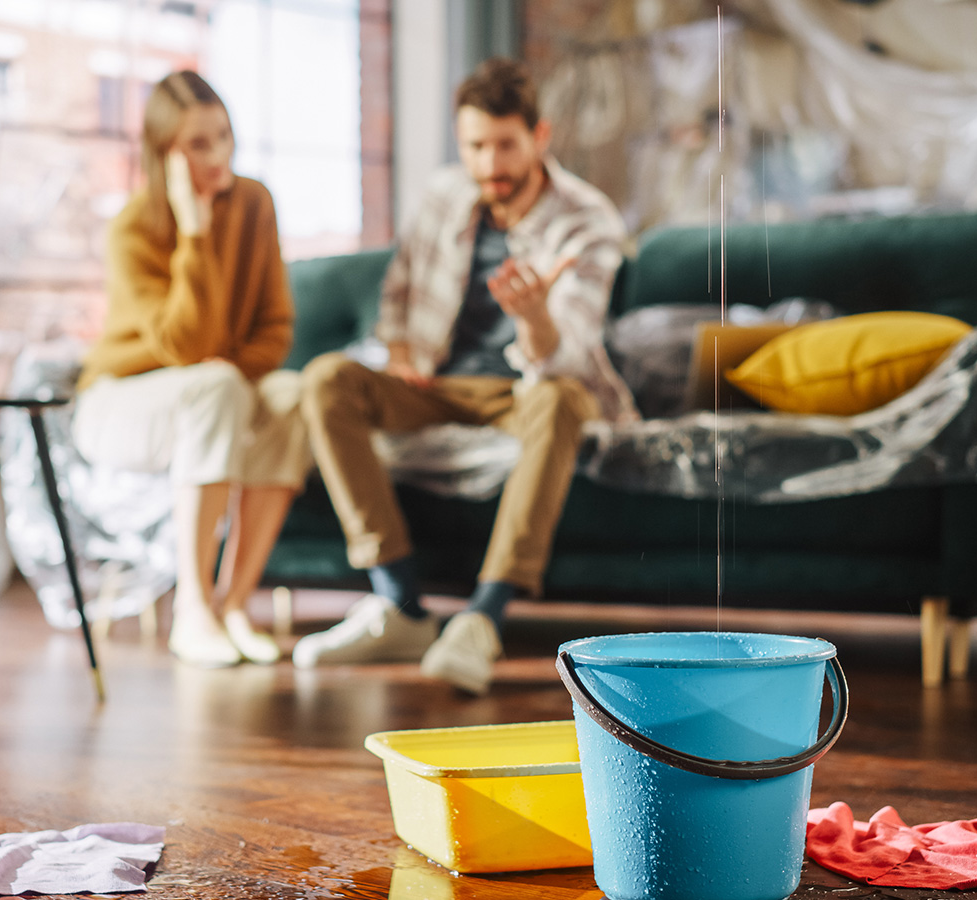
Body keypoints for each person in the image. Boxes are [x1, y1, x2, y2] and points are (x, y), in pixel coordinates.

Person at [293, 57, 636, 694]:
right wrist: (399, 353)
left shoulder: (587, 220)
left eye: (506, 145)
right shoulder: (446, 194)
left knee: (563, 402)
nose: (490, 165)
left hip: (527, 389)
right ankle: (400, 604)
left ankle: (483, 618)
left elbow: (568, 351)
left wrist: (533, 317)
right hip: (437, 386)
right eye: (476, 146)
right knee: (326, 380)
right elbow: (395, 294)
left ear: (540, 136)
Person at [72, 71, 309, 668]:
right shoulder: (132, 229)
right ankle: (193, 611)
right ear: (164, 155)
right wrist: (195, 232)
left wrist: (222, 370)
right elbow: (184, 344)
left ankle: (233, 604)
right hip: (117, 404)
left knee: (291, 395)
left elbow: (276, 331)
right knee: (216, 385)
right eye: (198, 145)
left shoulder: (255, 204)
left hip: (213, 390)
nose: (218, 155)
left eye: (224, 137)